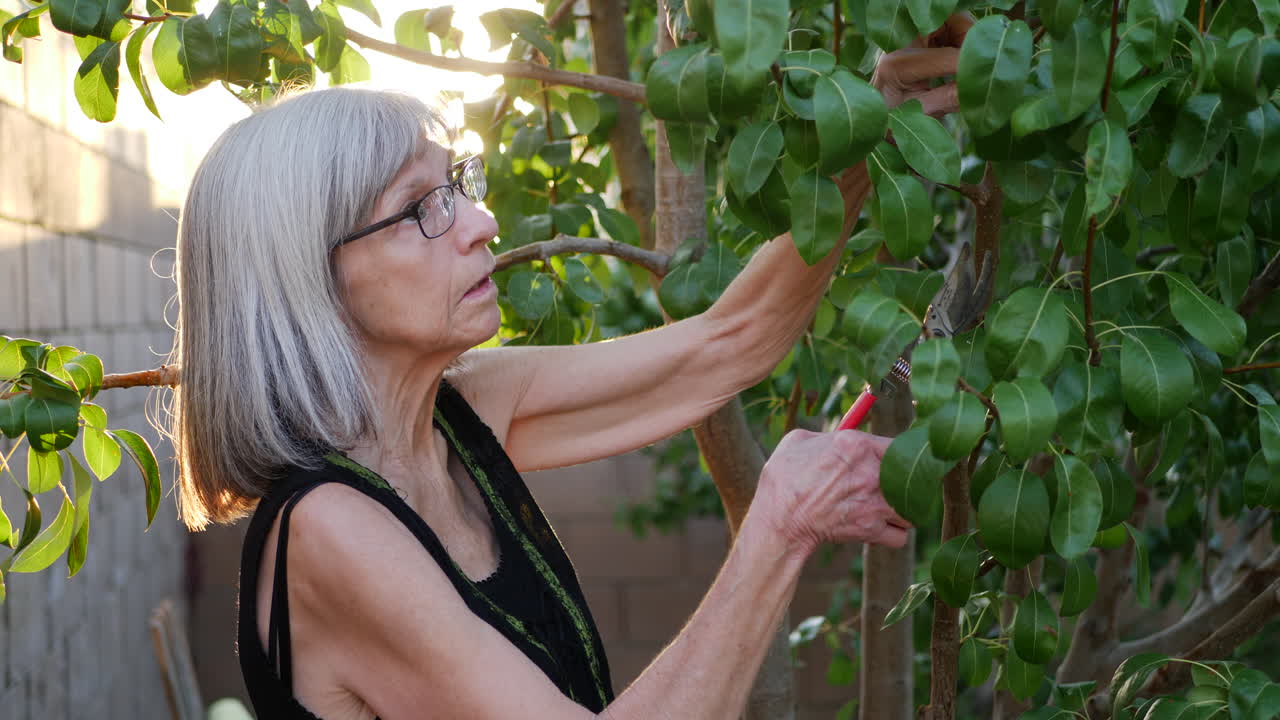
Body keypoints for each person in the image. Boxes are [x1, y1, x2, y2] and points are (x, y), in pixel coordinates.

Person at [163, 18, 969, 720]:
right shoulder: (328, 536)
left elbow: (733, 341)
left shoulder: (462, 414)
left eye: (457, 186)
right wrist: (780, 525)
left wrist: (872, 124)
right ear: (311, 279)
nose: (481, 223)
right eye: (420, 208)